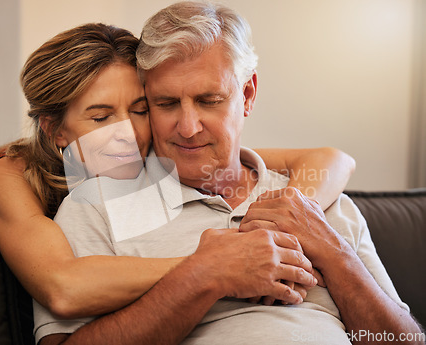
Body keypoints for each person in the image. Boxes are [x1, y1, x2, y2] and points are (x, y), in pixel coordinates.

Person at [35, 2, 424, 345]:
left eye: (209, 101)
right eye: (166, 103)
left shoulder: (316, 200)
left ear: (248, 95)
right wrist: (203, 276)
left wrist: (334, 253)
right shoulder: (96, 205)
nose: (187, 127)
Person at [0, 22, 356, 321]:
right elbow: (64, 287)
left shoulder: (156, 153)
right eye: (100, 117)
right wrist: (219, 264)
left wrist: (296, 220)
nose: (128, 134)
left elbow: (330, 159)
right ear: (54, 129)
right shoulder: (11, 177)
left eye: (140, 109)